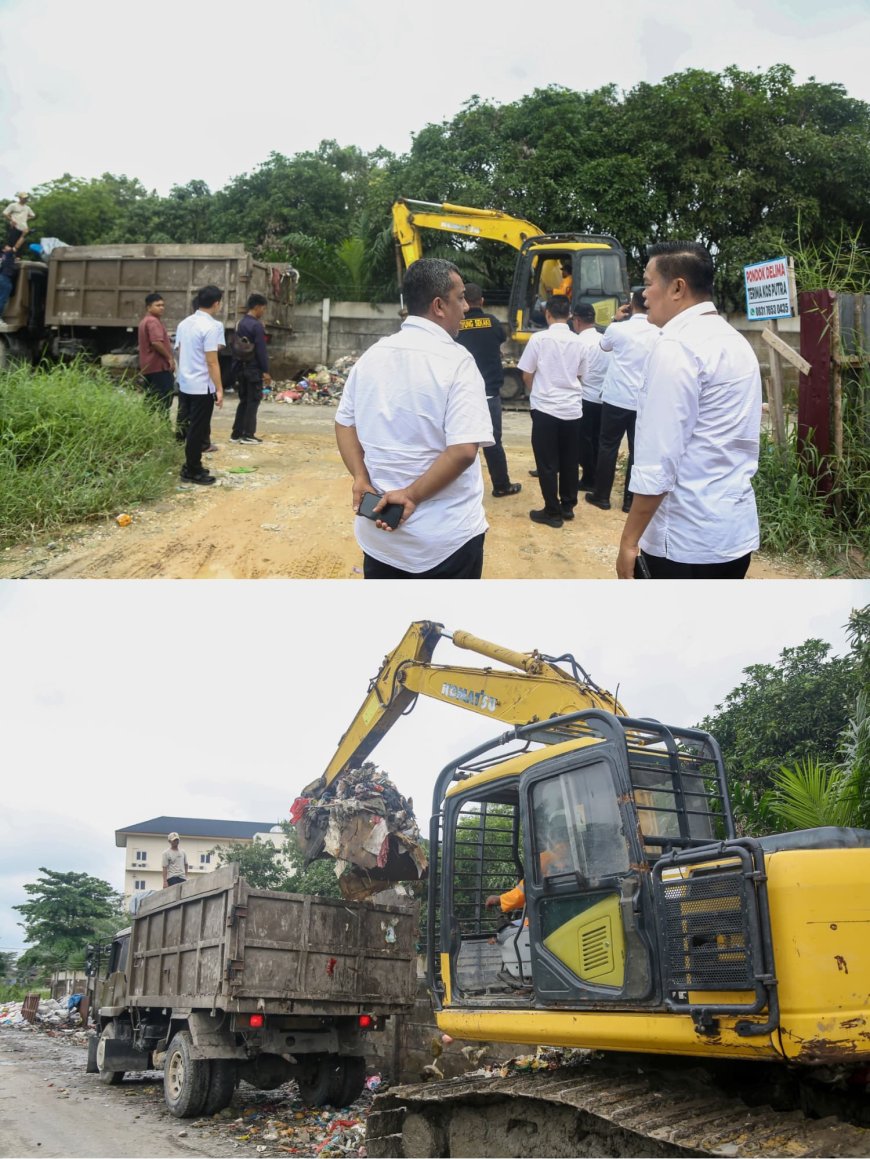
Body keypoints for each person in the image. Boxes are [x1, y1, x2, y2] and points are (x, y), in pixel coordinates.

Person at [334, 258, 493, 580]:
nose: (465, 307)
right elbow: (463, 450)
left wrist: (359, 477)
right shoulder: (458, 362)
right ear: (438, 305)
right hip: (445, 542)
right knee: (443, 627)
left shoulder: (372, 355)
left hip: (380, 539)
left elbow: (344, 422)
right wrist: (410, 496)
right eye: (460, 298)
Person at [617, 241, 762, 580]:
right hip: (731, 536)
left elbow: (658, 462)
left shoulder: (676, 347)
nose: (644, 294)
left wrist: (629, 540)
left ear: (678, 287)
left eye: (649, 282)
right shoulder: (735, 341)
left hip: (684, 542)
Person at [585, 288, 659, 515]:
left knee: (608, 446)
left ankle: (602, 496)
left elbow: (603, 345)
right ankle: (629, 501)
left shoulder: (617, 329)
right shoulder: (659, 332)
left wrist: (615, 319)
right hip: (643, 401)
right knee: (638, 450)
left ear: (630, 305)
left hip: (616, 398)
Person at [518, 294, 588, 528]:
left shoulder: (538, 339)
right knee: (569, 460)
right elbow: (580, 375)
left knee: (547, 463)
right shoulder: (579, 342)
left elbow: (527, 374)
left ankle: (552, 511)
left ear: (548, 314)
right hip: (572, 410)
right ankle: (568, 506)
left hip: (546, 409)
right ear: (569, 315)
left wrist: (538, 390)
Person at [454, 282, 521, 498]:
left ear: (464, 301)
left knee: (459, 442)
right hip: (489, 393)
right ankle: (501, 485)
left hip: (462, 394)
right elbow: (499, 339)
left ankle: (457, 489)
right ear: (482, 301)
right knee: (493, 442)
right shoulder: (491, 322)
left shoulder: (457, 324)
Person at [174, 285, 225, 485]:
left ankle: (190, 464)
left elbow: (179, 351)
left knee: (188, 427)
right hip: (202, 386)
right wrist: (219, 388)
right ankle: (192, 470)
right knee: (198, 429)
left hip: (185, 382)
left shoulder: (184, 323)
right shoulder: (211, 326)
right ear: (216, 303)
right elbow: (212, 361)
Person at [570, 303, 609, 491]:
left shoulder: (579, 343)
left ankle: (588, 478)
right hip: (604, 398)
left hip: (585, 397)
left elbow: (576, 374)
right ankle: (596, 477)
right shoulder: (604, 339)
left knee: (583, 440)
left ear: (577, 321)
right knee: (597, 441)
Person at [230, 293, 272, 444]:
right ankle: (248, 434)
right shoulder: (256, 326)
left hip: (241, 367)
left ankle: (236, 433)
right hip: (253, 369)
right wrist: (266, 371)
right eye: (263, 308)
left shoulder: (240, 323)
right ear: (257, 307)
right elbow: (261, 350)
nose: (263, 312)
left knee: (243, 400)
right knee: (253, 400)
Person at [137, 293, 175, 412]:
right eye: (157, 305)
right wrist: (169, 358)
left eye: (163, 305)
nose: (161, 307)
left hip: (148, 367)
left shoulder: (145, 321)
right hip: (158, 366)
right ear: (148, 307)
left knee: (151, 396)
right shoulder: (153, 322)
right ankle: (163, 423)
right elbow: (156, 342)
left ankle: (143, 423)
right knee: (165, 396)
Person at [0, 244, 16, 323]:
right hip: (5, 278)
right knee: (2, 299)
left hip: (2, 277)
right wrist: (24, 235)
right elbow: (16, 246)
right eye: (7, 246)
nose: (9, 247)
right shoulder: (8, 253)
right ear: (4, 250)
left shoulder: (2, 256)